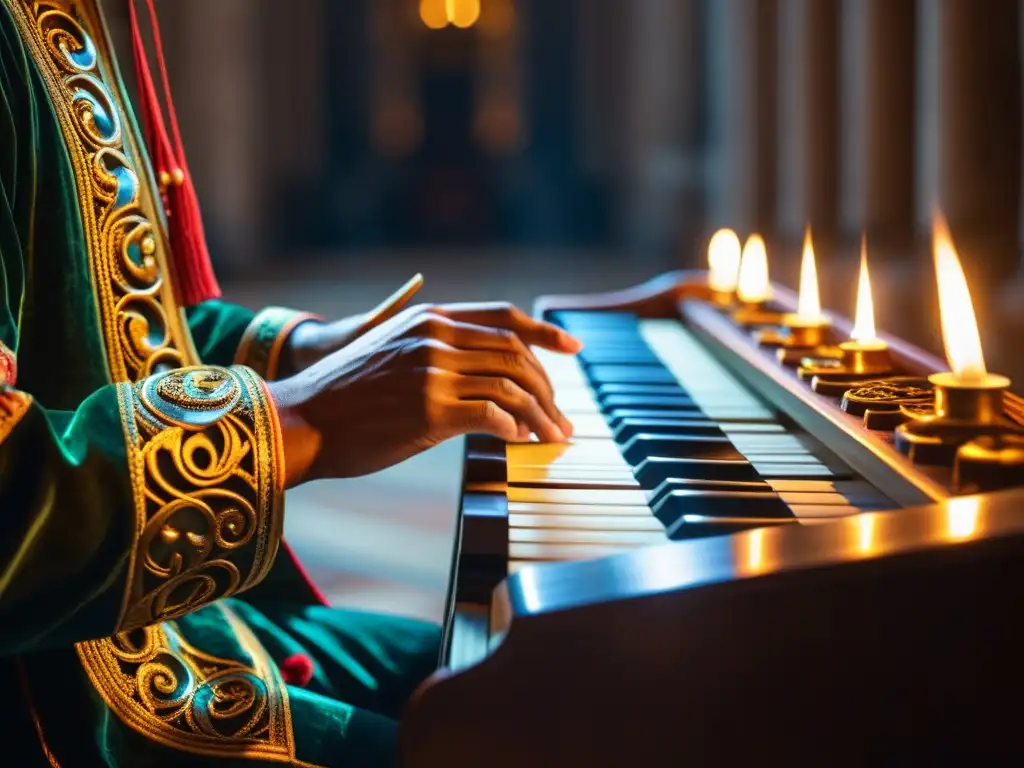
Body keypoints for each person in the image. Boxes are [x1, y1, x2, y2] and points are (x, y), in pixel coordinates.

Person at [0, 0, 632, 765]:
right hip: (61, 701)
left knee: (594, 682)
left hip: (172, 632)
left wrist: (317, 350)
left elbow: (99, 329)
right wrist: (307, 418)